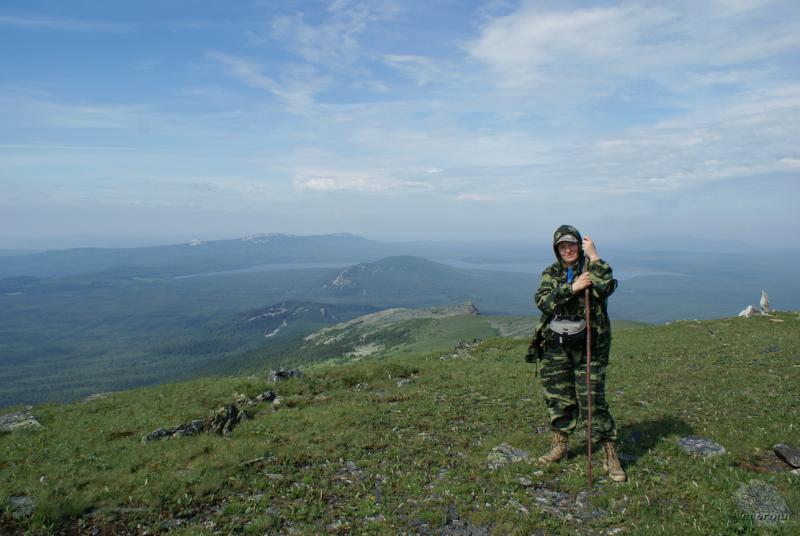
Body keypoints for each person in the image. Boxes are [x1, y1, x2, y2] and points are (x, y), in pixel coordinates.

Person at [527, 224, 626, 482]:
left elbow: (607, 287)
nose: (567, 249)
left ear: (579, 245)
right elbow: (542, 301)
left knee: (592, 399)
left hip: (589, 347)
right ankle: (560, 444)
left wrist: (594, 256)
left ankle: (609, 451)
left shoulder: (592, 268)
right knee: (559, 397)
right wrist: (571, 288)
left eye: (571, 244)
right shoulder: (551, 273)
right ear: (556, 250)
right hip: (556, 345)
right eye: (562, 246)